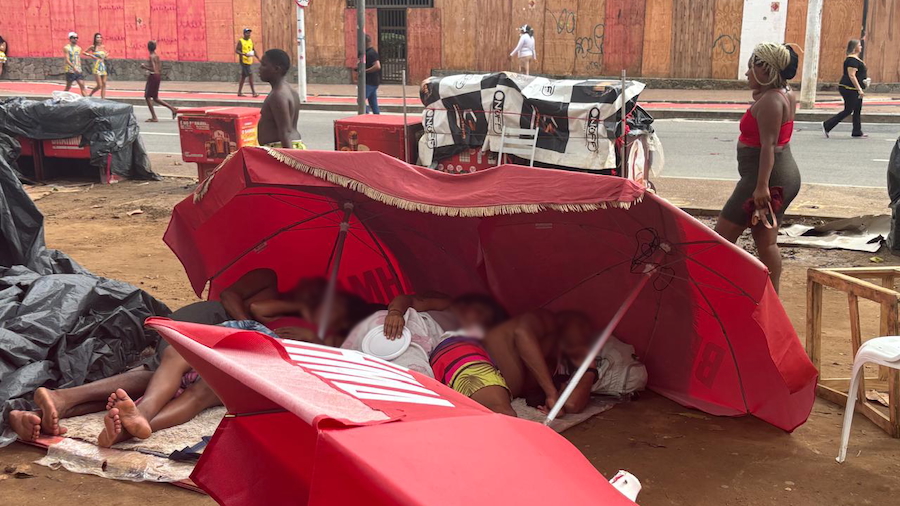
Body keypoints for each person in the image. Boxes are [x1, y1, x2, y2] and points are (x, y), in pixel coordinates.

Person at [715, 43, 800, 294]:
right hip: (781, 173)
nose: (746, 73)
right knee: (766, 242)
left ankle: (718, 292)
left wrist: (761, 187)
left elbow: (768, 147)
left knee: (720, 241)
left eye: (751, 67)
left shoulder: (771, 101)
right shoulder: (783, 93)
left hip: (764, 178)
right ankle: (770, 300)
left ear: (764, 69)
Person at [257, 48, 305, 148]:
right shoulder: (290, 91)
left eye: (264, 65)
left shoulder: (278, 95)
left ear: (276, 69)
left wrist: (288, 162)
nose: (259, 68)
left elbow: (285, 133)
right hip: (288, 146)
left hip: (280, 150)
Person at [823, 39, 869, 139]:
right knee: (849, 110)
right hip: (849, 88)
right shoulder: (852, 60)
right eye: (859, 45)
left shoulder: (855, 59)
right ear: (854, 48)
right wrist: (859, 89)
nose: (861, 47)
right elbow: (852, 75)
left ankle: (857, 131)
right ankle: (827, 125)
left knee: (857, 109)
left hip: (854, 88)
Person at [141, 40, 177, 122]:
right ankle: (172, 108)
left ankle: (154, 117)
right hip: (157, 76)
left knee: (147, 97)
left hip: (153, 76)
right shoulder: (156, 56)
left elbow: (153, 68)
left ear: (148, 48)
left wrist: (144, 67)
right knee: (155, 98)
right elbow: (159, 68)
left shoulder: (151, 57)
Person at [357, 34, 381, 115]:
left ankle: (366, 115)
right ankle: (377, 117)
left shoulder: (371, 53)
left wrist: (365, 71)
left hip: (370, 82)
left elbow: (377, 66)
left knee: (361, 99)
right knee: (373, 103)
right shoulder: (365, 53)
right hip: (370, 81)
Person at [235, 28, 260, 97]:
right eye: (247, 33)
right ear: (244, 34)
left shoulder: (250, 41)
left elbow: (253, 50)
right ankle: (253, 92)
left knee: (243, 76)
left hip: (249, 61)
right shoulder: (241, 41)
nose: (248, 34)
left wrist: (258, 58)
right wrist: (243, 54)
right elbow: (236, 50)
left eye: (249, 33)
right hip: (243, 61)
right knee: (250, 75)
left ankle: (239, 92)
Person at [85, 33, 109, 99]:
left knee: (104, 83)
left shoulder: (103, 47)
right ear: (95, 39)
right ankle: (90, 94)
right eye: (97, 37)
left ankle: (103, 99)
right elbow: (84, 52)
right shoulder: (93, 47)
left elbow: (106, 55)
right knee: (99, 85)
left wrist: (106, 56)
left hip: (103, 66)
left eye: (100, 37)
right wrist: (91, 55)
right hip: (96, 66)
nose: (99, 39)